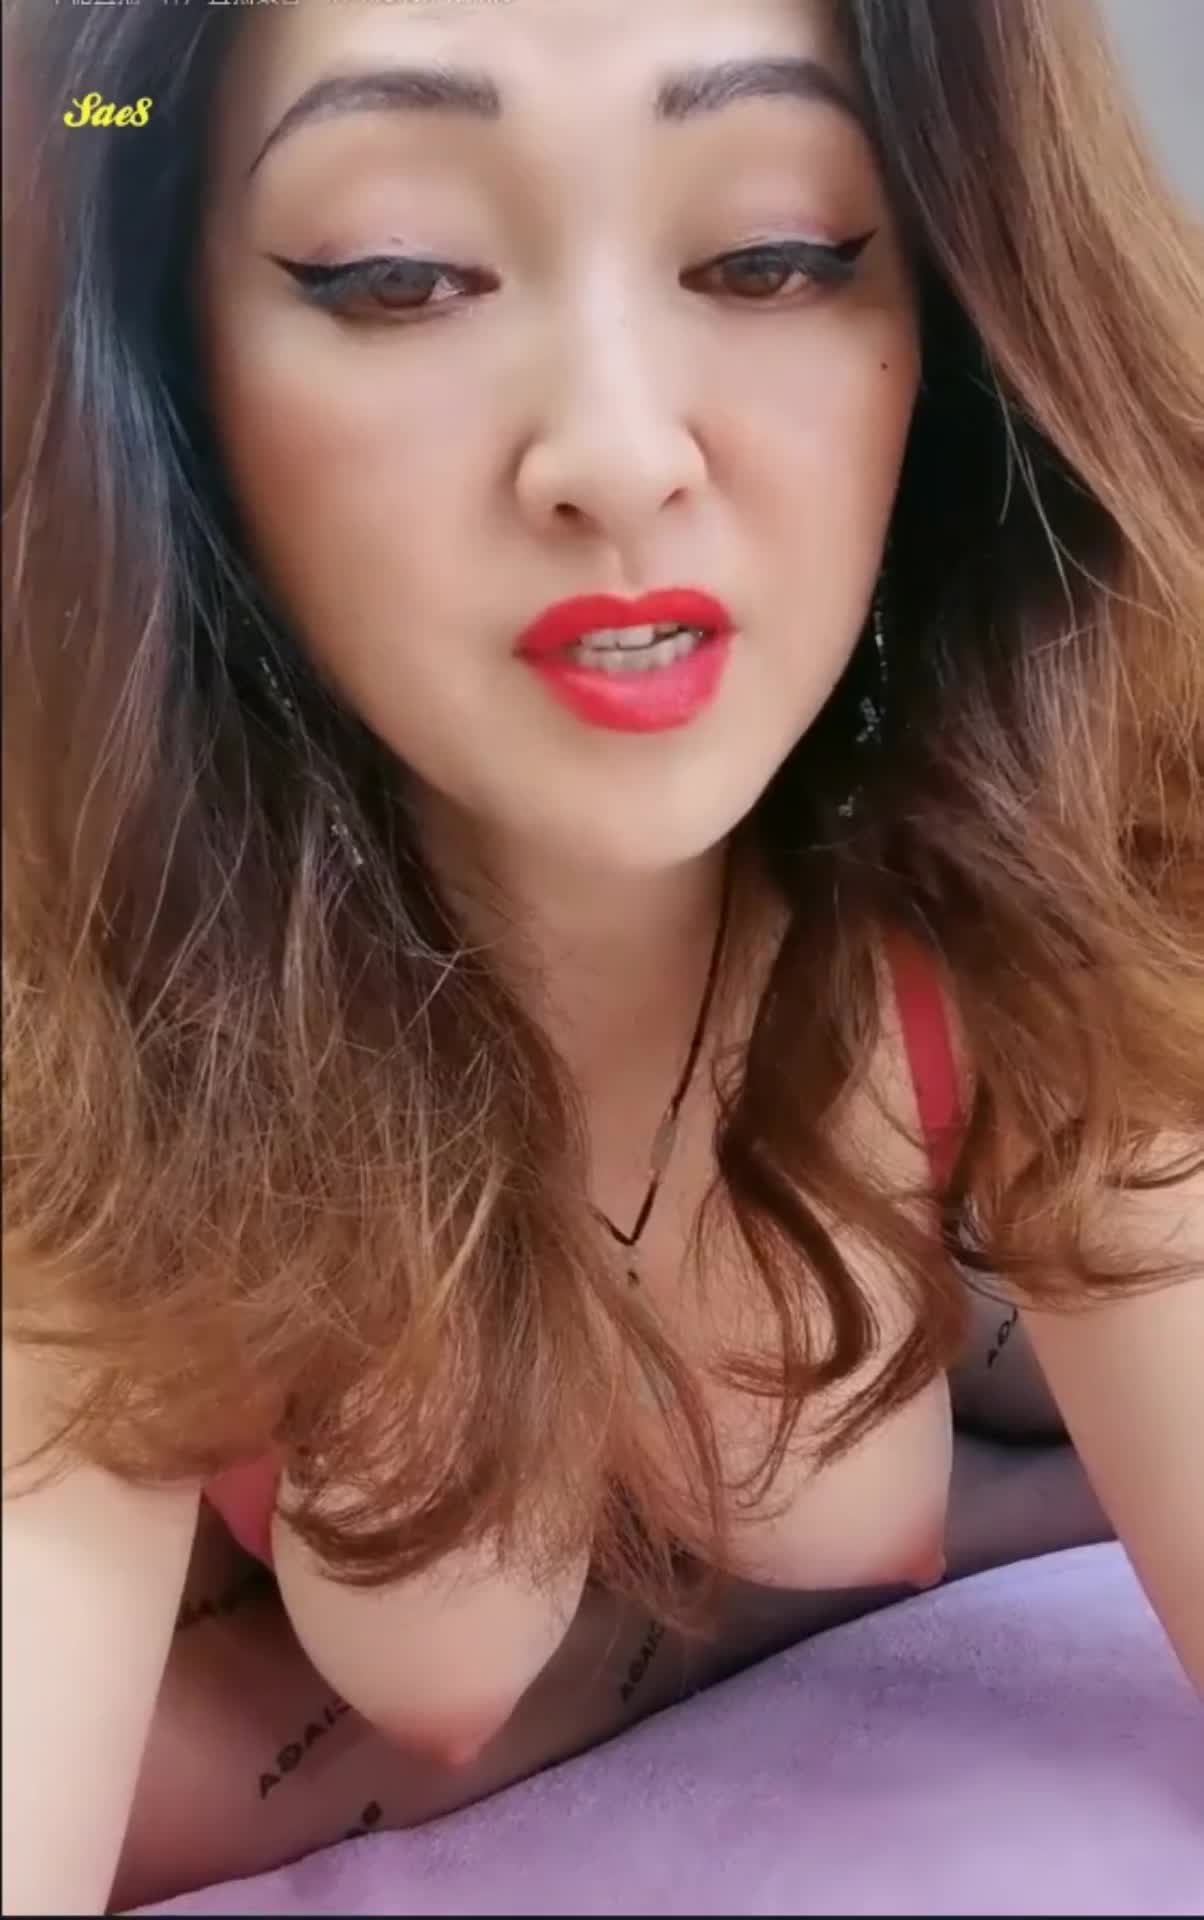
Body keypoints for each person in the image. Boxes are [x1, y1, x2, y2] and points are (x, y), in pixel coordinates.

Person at [3, 0, 1202, 1910]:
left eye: (772, 253)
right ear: (166, 349)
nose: (621, 456)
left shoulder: (1052, 828)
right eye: (396, 273)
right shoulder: (83, 1029)